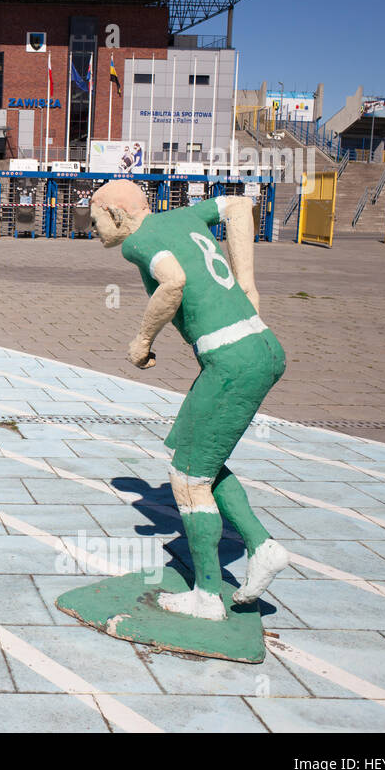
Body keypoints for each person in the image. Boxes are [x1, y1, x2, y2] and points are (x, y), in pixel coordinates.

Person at [88, 179, 289, 620]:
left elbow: (173, 281)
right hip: (261, 346)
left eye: (95, 219)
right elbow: (238, 205)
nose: (94, 229)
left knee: (187, 479)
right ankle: (261, 546)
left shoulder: (137, 242)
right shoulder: (182, 215)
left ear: (117, 215)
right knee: (197, 458)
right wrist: (248, 285)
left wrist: (142, 339)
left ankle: (207, 596)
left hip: (230, 360)